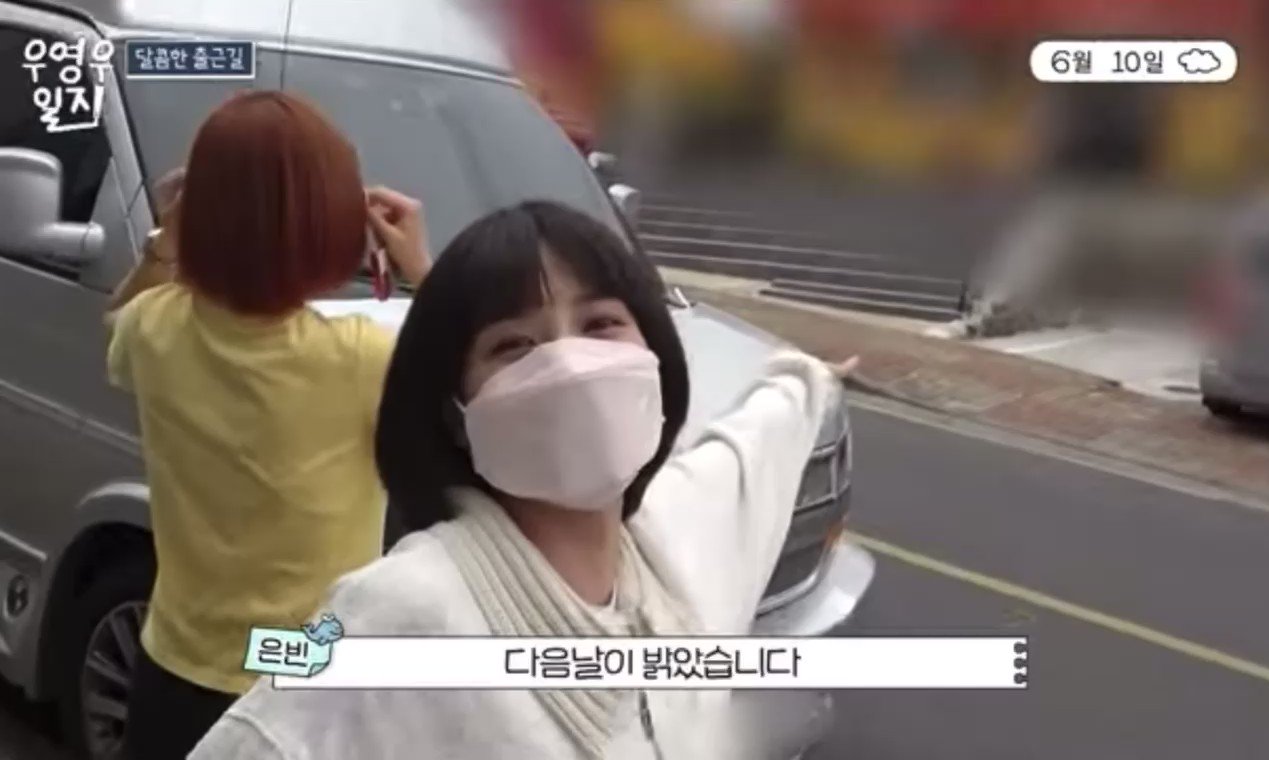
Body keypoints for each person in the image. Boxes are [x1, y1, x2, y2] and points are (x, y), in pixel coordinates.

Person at [190, 201, 852, 760]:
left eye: (600, 324)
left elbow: (753, 447)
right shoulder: (397, 613)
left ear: (655, 355)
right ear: (457, 414)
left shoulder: (675, 546)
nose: (569, 364)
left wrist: (808, 378)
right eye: (513, 346)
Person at [104, 90, 431, 760]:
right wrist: (424, 271)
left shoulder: (152, 328)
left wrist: (169, 239)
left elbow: (121, 318)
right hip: (305, 684)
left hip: (174, 671)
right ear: (331, 226)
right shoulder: (364, 360)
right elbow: (488, 387)